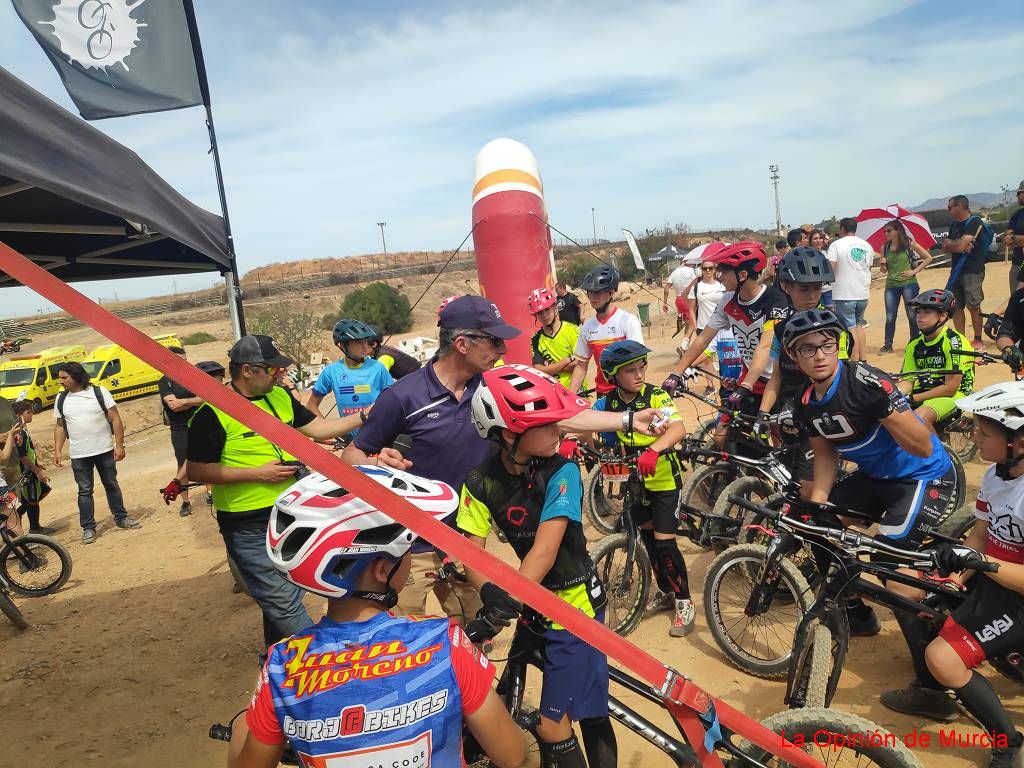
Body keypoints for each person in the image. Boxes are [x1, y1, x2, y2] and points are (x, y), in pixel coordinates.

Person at [344, 295, 670, 623]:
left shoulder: (493, 388)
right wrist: (376, 464)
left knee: (476, 635)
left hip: (468, 545)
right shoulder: (403, 396)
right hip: (414, 549)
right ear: (462, 344)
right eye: (495, 340)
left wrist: (628, 420)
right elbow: (350, 456)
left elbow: (559, 417)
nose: (502, 350)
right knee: (405, 644)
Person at [228, 465, 526, 768]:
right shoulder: (442, 642)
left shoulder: (282, 666)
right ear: (383, 570)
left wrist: (242, 725)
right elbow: (511, 755)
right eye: (406, 549)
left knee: (243, 726)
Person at [458, 365, 617, 768]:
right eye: (545, 423)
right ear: (509, 433)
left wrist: (503, 601)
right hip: (533, 602)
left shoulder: (562, 470)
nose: (558, 429)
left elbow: (544, 554)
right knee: (512, 680)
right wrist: (489, 592)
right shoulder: (478, 481)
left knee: (552, 725)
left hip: (573, 606)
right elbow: (470, 550)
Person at [783, 308, 958, 640]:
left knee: (887, 564)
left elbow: (922, 446)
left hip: (922, 475)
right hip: (876, 476)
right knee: (816, 526)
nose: (819, 355)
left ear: (840, 346)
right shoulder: (804, 401)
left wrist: (883, 408)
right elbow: (824, 456)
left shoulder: (865, 383)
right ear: (793, 354)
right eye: (808, 348)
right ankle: (857, 613)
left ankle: (931, 672)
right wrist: (820, 509)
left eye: (827, 345)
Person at [186, 335, 364, 649]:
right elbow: (197, 470)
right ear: (246, 371)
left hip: (292, 518)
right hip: (247, 526)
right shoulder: (211, 414)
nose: (279, 375)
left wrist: (366, 415)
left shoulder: (280, 397)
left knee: (288, 593)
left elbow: (318, 429)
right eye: (271, 370)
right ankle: (328, 659)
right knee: (285, 603)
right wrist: (256, 473)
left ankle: (274, 659)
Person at [880, 382, 1024, 766]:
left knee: (943, 658)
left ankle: (1008, 742)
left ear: (1018, 443)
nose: (974, 437)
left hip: (1016, 596)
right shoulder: (996, 475)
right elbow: (981, 533)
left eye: (984, 432)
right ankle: (929, 690)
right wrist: (958, 577)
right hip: (989, 579)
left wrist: (979, 565)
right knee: (901, 585)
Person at [594, 341, 694, 636]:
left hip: (663, 480)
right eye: (630, 370)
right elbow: (591, 427)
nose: (639, 375)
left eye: (642, 368)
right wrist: (583, 443)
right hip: (634, 483)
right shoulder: (607, 403)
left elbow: (678, 429)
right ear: (613, 375)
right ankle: (665, 591)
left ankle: (684, 601)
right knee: (649, 541)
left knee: (665, 543)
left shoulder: (656, 396)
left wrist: (654, 450)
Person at [663, 242, 789, 444]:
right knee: (722, 436)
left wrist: (745, 385)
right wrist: (676, 372)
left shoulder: (776, 300)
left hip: (777, 383)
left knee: (777, 442)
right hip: (749, 380)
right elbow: (703, 338)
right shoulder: (727, 300)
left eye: (723, 271)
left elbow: (765, 346)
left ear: (742, 275)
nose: (718, 276)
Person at [756, 248, 841, 493]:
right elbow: (777, 376)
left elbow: (839, 377)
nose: (812, 295)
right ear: (786, 286)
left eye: (817, 288)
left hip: (819, 418)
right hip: (786, 419)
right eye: (804, 288)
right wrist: (763, 414)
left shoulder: (834, 326)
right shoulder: (780, 329)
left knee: (809, 491)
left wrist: (805, 408)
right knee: (787, 487)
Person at [53, 361, 138, 544]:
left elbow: (115, 418)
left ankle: (121, 517)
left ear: (75, 376)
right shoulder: (61, 398)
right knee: (84, 491)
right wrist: (57, 450)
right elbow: (60, 426)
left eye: (64, 377)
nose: (60, 381)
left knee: (111, 484)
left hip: (104, 450)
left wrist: (119, 445)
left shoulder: (99, 392)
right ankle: (88, 528)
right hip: (79, 454)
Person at [898, 290, 974, 431]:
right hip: (922, 393)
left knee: (920, 417)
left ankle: (938, 454)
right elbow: (908, 380)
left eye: (926, 312)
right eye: (918, 311)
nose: (920, 316)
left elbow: (951, 388)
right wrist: (894, 394)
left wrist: (914, 398)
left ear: (943, 315)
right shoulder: (914, 344)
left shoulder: (954, 342)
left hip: (956, 394)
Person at [568, 266, 644, 397]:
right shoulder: (587, 327)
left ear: (611, 292)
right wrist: (570, 397)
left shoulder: (628, 321)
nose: (592, 297)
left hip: (628, 393)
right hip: (603, 393)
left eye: (597, 292)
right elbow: (581, 365)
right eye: (589, 292)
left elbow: (640, 362)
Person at [306, 319, 394, 427]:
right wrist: (328, 430)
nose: (365, 346)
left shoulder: (378, 368)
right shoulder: (331, 371)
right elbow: (311, 406)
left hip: (378, 435)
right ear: (342, 345)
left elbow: (394, 401)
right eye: (358, 342)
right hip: (348, 439)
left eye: (366, 340)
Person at [158, 346, 205, 517]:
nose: (185, 364)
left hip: (200, 424)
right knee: (183, 464)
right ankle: (186, 501)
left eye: (185, 361)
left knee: (208, 459)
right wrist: (194, 401)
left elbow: (205, 400)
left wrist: (184, 401)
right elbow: (173, 406)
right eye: (180, 361)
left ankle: (210, 493)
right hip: (180, 429)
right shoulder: (165, 382)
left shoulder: (194, 378)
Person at [943, 195, 991, 349]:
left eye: (950, 207)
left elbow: (958, 247)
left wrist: (954, 245)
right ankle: (961, 340)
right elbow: (946, 249)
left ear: (959, 206)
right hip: (956, 271)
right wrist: (956, 245)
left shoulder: (974, 222)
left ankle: (978, 339)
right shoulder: (953, 225)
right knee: (956, 307)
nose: (948, 210)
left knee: (973, 305)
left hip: (972, 270)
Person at [878, 220, 933, 354]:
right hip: (891, 285)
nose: (886, 233)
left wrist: (913, 271)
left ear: (898, 231)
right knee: (890, 316)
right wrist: (883, 263)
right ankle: (888, 345)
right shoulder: (884, 247)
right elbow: (883, 271)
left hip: (909, 284)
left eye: (889, 230)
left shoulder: (909, 244)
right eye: (885, 231)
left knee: (912, 315)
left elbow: (928, 258)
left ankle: (914, 342)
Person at [827, 218, 874, 362]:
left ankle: (853, 361)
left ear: (842, 228)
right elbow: (869, 268)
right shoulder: (867, 246)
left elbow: (831, 268)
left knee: (850, 328)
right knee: (859, 325)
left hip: (844, 293)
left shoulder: (836, 245)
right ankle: (863, 359)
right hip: (862, 292)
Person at [528, 286, 582, 391]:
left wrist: (550, 367)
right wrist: (567, 360)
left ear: (556, 308)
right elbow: (538, 371)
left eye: (547, 309)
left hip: (577, 392)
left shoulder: (573, 330)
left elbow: (578, 365)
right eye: (540, 312)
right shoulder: (535, 339)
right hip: (555, 394)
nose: (544, 315)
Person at [12, 400, 52, 534]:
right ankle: (32, 527)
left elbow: (30, 449)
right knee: (32, 499)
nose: (31, 414)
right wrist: (37, 471)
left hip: (30, 468)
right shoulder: (19, 434)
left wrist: (37, 461)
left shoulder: (24, 430)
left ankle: (22, 517)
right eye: (28, 412)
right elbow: (22, 456)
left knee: (41, 492)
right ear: (18, 415)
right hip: (26, 472)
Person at [663, 253, 698, 335]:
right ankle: (687, 344)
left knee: (688, 323)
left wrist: (665, 302)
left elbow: (666, 288)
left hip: (678, 301)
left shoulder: (674, 272)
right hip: (689, 300)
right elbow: (697, 283)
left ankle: (686, 343)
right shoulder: (692, 271)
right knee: (694, 323)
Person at [1002, 180, 1024, 294]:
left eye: (1019, 193)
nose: (1017, 196)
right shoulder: (1017, 215)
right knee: (1016, 302)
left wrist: (1014, 239)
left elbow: (1011, 238)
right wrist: (1010, 238)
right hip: (1017, 264)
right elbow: (1007, 238)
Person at [808, 229, 834, 308]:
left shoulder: (827, 254)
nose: (818, 241)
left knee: (830, 314)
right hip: (814, 292)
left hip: (828, 290)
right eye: (815, 239)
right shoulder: (808, 256)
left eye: (820, 238)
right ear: (811, 241)